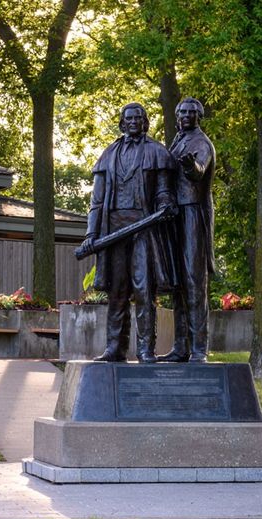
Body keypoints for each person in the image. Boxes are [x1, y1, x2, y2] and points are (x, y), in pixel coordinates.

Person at [80, 102, 177, 363]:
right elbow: (96, 201)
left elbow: (164, 191)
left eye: (138, 118)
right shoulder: (108, 155)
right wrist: (91, 234)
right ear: (122, 123)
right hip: (113, 230)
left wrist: (166, 203)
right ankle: (115, 347)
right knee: (117, 290)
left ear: (145, 122)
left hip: (143, 228)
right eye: (129, 119)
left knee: (144, 289)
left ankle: (146, 348)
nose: (133, 122)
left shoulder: (157, 152)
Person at [158, 97, 216, 363]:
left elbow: (199, 171)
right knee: (178, 283)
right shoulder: (177, 141)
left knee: (194, 282)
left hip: (193, 213)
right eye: (181, 112)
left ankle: (199, 349)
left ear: (198, 116)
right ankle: (180, 347)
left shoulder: (201, 143)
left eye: (191, 113)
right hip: (174, 215)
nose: (185, 116)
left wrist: (190, 165)